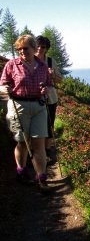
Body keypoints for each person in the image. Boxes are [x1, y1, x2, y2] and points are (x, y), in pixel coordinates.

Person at [0, 35, 53, 194]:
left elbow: (50, 86)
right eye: (19, 49)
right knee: (22, 143)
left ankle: (41, 178)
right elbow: (2, 85)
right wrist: (5, 89)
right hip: (18, 105)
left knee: (39, 144)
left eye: (25, 48)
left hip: (39, 106)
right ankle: (21, 171)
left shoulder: (42, 66)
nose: (22, 51)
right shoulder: (11, 65)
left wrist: (46, 90)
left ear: (34, 48)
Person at [35, 35, 62, 164]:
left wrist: (53, 74)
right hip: (34, 97)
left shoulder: (50, 61)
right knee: (36, 125)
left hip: (50, 97)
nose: (40, 49)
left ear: (47, 49)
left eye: (43, 47)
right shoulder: (29, 60)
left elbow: (59, 80)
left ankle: (47, 150)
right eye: (38, 46)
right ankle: (38, 152)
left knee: (49, 123)